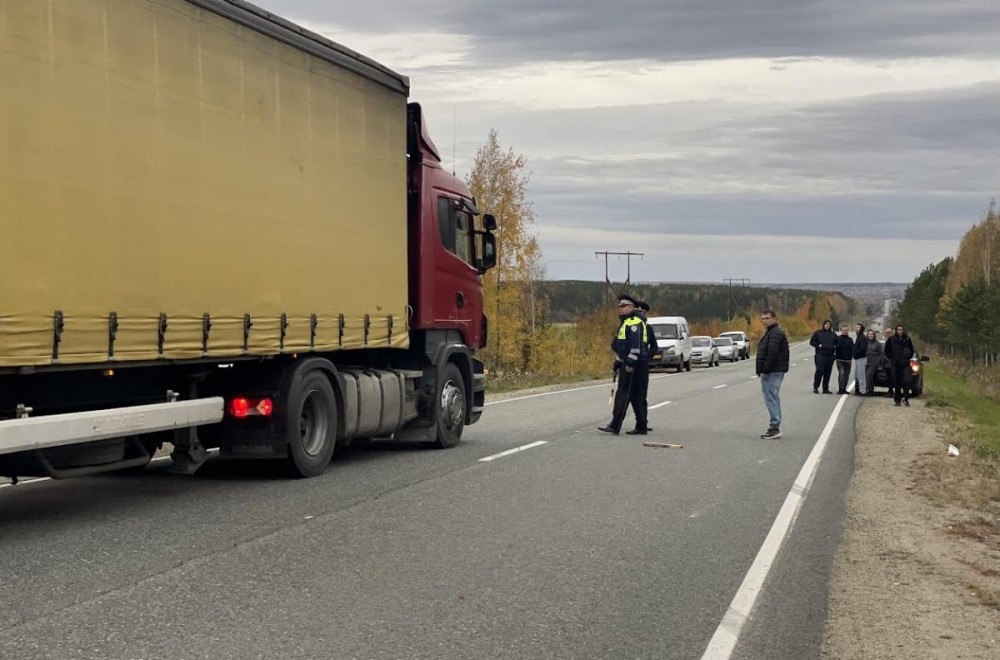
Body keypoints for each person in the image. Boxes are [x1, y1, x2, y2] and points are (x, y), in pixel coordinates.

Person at [598, 295, 650, 435]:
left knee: (623, 395)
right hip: (635, 364)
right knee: (636, 396)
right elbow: (623, 347)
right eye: (620, 307)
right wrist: (618, 361)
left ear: (631, 308)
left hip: (634, 365)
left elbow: (634, 347)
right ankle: (641, 426)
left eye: (624, 306)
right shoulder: (627, 322)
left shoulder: (633, 323)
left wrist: (630, 363)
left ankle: (615, 425)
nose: (621, 309)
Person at [756, 309, 790, 438]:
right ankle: (774, 426)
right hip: (773, 370)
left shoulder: (775, 333)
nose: (764, 321)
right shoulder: (772, 332)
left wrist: (765, 369)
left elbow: (772, 353)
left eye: (767, 318)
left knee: (771, 398)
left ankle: (774, 427)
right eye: (763, 318)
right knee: (772, 397)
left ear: (774, 318)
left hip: (772, 371)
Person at [636, 301, 657, 432]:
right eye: (638, 313)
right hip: (632, 364)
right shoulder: (632, 327)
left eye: (642, 313)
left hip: (643, 365)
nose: (641, 315)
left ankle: (643, 422)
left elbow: (654, 347)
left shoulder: (648, 329)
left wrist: (646, 356)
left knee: (642, 395)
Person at [884, 324, 916, 406]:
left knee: (907, 380)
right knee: (897, 382)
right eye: (898, 330)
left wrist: (908, 355)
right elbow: (887, 351)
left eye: (901, 330)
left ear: (903, 330)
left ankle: (906, 398)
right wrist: (892, 357)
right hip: (895, 364)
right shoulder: (891, 339)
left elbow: (912, 351)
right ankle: (897, 400)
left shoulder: (907, 339)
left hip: (905, 363)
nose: (900, 331)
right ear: (896, 331)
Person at [810, 320, 837, 394]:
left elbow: (837, 343)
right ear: (823, 325)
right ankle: (816, 387)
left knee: (827, 372)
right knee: (820, 370)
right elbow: (812, 342)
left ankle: (825, 388)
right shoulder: (818, 333)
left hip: (830, 355)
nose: (827, 325)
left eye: (829, 324)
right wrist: (818, 345)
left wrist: (834, 348)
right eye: (826, 324)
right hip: (820, 354)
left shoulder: (833, 334)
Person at [834, 324, 855, 394]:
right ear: (841, 331)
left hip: (848, 360)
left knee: (846, 375)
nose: (845, 331)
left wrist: (851, 355)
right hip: (840, 360)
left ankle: (844, 389)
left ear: (848, 331)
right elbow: (835, 347)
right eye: (843, 330)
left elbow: (853, 349)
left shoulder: (850, 340)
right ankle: (840, 389)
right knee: (841, 373)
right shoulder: (838, 339)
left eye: (846, 330)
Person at [864, 329, 883, 395]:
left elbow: (881, 354)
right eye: (869, 334)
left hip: (874, 362)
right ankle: (871, 390)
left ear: (874, 335)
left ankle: (865, 390)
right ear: (867, 335)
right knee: (869, 377)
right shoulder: (865, 342)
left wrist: (879, 361)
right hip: (866, 361)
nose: (871, 335)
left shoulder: (877, 344)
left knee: (868, 375)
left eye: (872, 334)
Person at [852, 323, 869, 395]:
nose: (856, 329)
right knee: (858, 375)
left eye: (858, 327)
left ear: (861, 328)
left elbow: (862, 349)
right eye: (856, 327)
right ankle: (860, 389)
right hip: (858, 358)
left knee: (861, 375)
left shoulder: (862, 337)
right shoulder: (859, 337)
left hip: (861, 358)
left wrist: (855, 353)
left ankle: (863, 390)